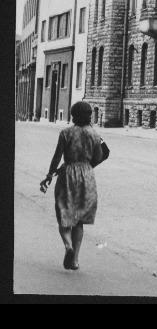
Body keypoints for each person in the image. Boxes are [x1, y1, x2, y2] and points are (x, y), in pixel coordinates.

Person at [39, 101, 105, 271]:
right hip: (87, 176)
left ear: (73, 115)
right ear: (90, 115)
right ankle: (75, 260)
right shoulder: (94, 134)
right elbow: (98, 157)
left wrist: (49, 175)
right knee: (80, 220)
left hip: (67, 174)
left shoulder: (66, 132)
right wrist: (86, 165)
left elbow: (56, 157)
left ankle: (68, 245)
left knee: (63, 213)